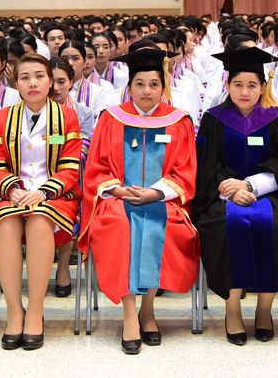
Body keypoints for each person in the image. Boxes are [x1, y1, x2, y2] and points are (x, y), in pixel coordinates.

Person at [79, 48, 198, 355]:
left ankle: (148, 309)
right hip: (117, 198)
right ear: (129, 86)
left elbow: (185, 170)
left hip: (162, 199)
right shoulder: (111, 119)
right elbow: (96, 168)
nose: (147, 91)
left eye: (154, 84)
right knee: (120, 224)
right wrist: (118, 191)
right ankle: (130, 312)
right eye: (140, 84)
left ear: (163, 87)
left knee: (160, 224)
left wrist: (155, 193)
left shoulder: (178, 121)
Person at [192, 47, 278, 345]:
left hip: (271, 195)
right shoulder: (214, 119)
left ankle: (264, 309)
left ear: (263, 86)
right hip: (222, 196)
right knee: (223, 227)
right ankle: (232, 309)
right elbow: (206, 166)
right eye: (238, 85)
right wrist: (229, 188)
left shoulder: (277, 119)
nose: (244, 92)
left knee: (276, 227)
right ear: (227, 85)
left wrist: (251, 186)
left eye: (252, 85)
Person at [0, 53, 82, 351]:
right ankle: (15, 310)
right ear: (16, 83)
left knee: (39, 220)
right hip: (11, 194)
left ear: (51, 81)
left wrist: (43, 192)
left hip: (55, 196)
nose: (32, 83)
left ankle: (36, 310)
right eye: (24, 77)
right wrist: (12, 190)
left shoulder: (66, 116)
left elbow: (70, 168)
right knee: (6, 224)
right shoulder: (3, 117)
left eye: (39, 76)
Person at [47, 57, 97, 297]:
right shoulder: (30, 110)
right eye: (52, 81)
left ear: (71, 82)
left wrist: (52, 144)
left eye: (61, 81)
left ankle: (63, 266)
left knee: (66, 203)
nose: (56, 88)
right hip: (35, 174)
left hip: (72, 176)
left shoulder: (83, 113)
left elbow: (81, 150)